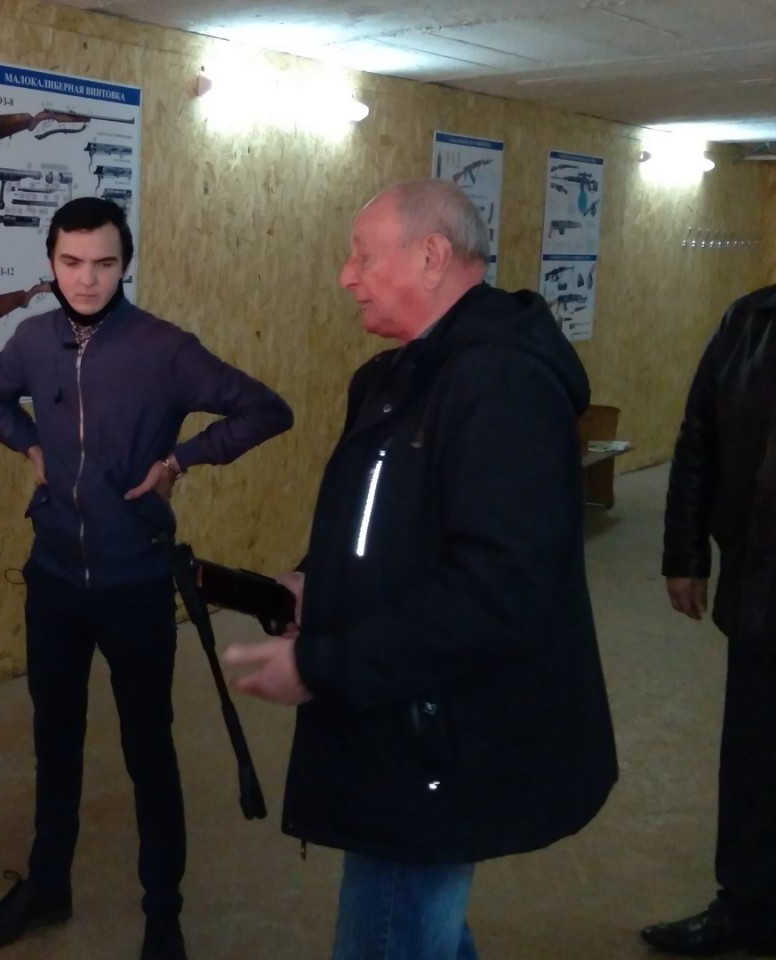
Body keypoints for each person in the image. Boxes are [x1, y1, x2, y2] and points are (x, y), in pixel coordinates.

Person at [224, 179, 618, 960]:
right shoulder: (393, 377)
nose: (347, 275)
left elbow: (496, 589)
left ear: (432, 256)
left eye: (364, 256)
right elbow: (383, 524)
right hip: (396, 707)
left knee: (391, 932)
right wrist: (315, 580)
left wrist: (322, 663)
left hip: (439, 731)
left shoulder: (502, 385)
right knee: (418, 928)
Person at [0, 197, 293, 960]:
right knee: (55, 741)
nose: (86, 279)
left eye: (104, 263)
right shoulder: (33, 339)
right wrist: (29, 445)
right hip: (54, 578)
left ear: (125, 265)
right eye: (71, 262)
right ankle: (48, 886)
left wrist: (183, 458)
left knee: (150, 750)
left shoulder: (164, 349)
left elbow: (264, 410)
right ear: (51, 263)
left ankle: (163, 915)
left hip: (135, 582)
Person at [640, 284, 776, 957]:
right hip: (763, 586)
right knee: (754, 757)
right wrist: (684, 554)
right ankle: (746, 908)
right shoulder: (749, 321)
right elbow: (700, 440)